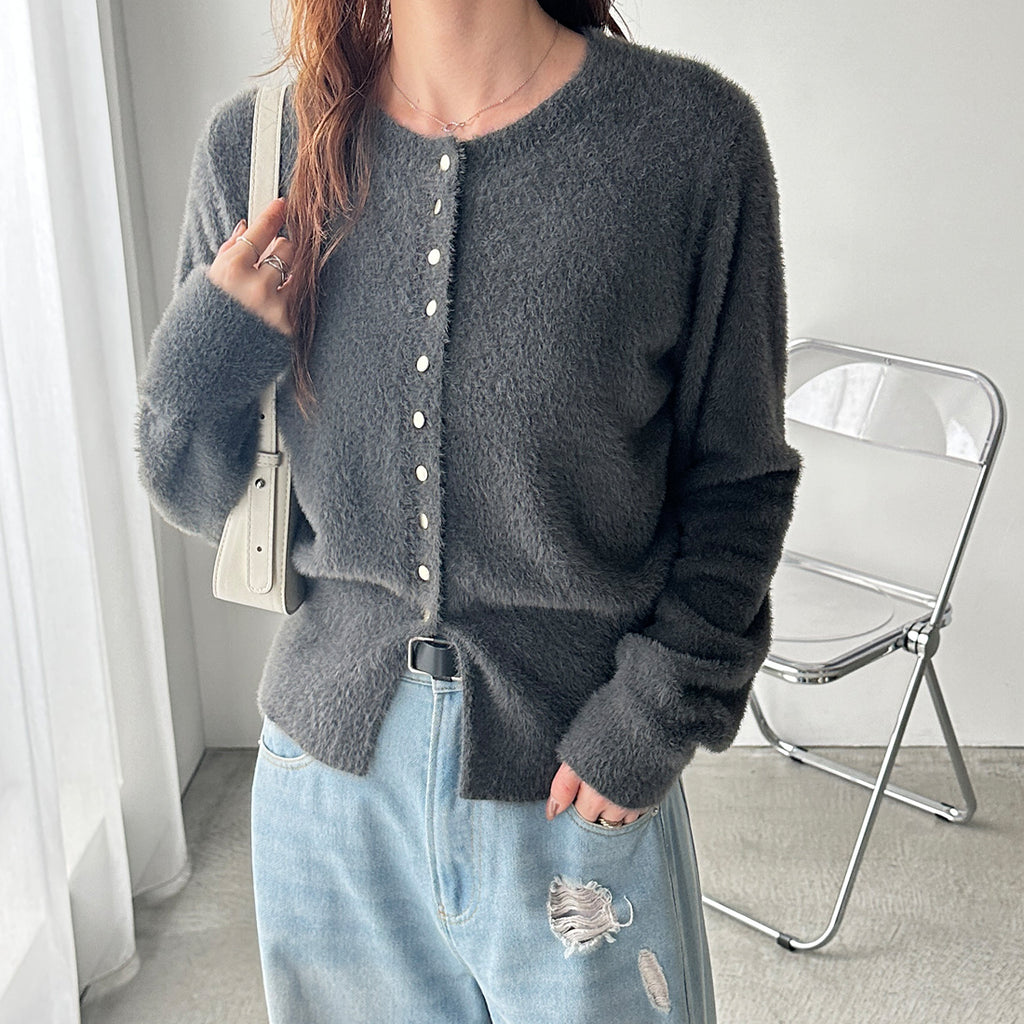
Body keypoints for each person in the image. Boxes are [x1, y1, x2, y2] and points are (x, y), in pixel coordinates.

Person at [134, 0, 803, 1020]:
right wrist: (214, 343)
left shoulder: (688, 141)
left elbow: (738, 482)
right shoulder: (261, 148)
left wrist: (652, 716)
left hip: (574, 782)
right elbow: (188, 486)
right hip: (327, 799)